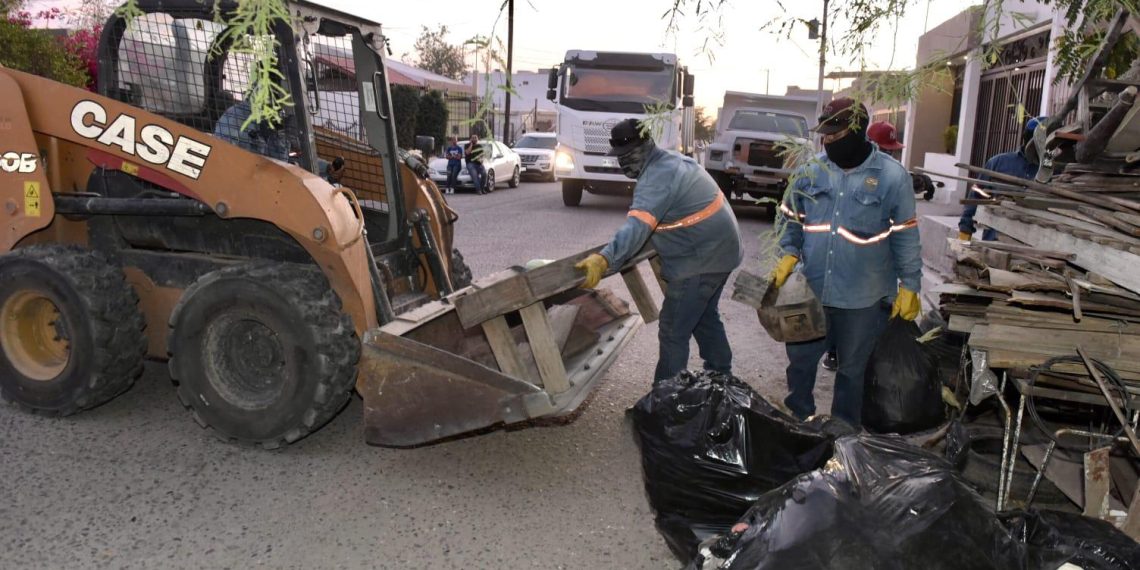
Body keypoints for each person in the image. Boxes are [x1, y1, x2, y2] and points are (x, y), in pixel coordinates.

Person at [772, 97, 922, 427]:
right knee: (800, 360)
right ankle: (799, 420)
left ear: (857, 131)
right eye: (825, 135)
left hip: (864, 297)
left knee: (853, 371)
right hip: (811, 288)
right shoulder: (811, 171)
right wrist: (787, 254)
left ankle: (843, 433)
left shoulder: (891, 177)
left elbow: (905, 234)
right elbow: (792, 218)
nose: (828, 141)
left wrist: (910, 286)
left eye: (836, 134)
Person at [575, 118, 744, 383]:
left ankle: (666, 399)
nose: (622, 162)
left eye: (627, 155)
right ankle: (722, 378)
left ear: (643, 147)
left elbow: (638, 225)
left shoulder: (657, 176)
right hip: (722, 251)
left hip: (701, 258)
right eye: (619, 156)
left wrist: (604, 259)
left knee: (673, 329)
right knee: (704, 317)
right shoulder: (669, 161)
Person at [958, 116, 1044, 241]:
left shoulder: (1055, 173)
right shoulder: (998, 163)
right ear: (1028, 139)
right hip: (994, 242)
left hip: (1033, 246)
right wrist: (964, 233)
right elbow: (976, 197)